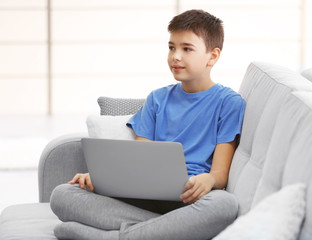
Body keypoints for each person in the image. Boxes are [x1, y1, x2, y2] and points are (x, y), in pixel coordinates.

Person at [50, 9, 246, 240]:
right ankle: (159, 231)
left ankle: (114, 237)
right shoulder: (157, 99)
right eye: (171, 47)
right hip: (143, 198)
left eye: (187, 49)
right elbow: (140, 162)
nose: (176, 56)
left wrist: (210, 179)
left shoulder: (229, 103)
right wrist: (103, 178)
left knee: (225, 204)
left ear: (212, 56)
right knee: (62, 194)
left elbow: (220, 173)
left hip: (190, 199)